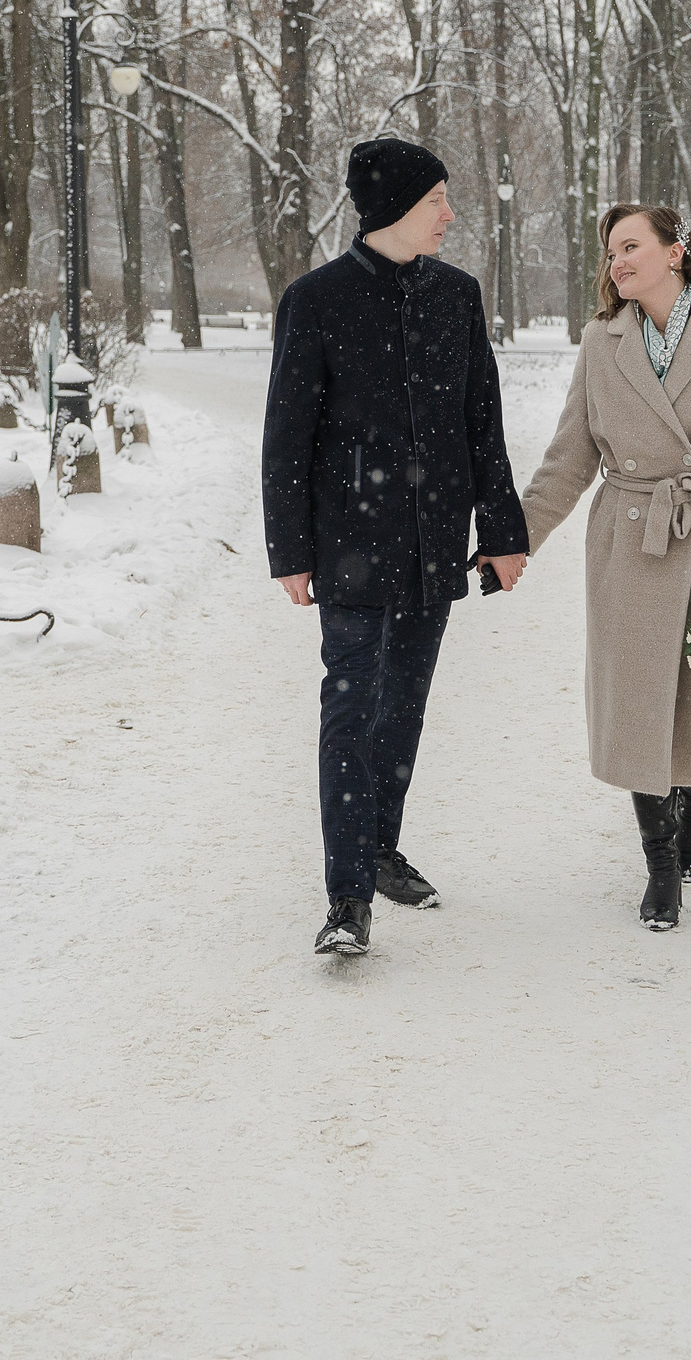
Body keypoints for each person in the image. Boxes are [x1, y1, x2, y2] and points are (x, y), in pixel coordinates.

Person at [263, 138, 529, 959]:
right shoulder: (316, 299)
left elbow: (482, 421)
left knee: (403, 706)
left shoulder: (457, 295)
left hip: (434, 541)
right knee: (349, 709)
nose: (449, 214)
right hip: (349, 542)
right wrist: (290, 550)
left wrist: (502, 532)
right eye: (436, 200)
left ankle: (380, 848)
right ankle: (348, 897)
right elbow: (286, 435)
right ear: (394, 208)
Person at [520, 204, 691, 932]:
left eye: (630, 246)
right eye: (610, 251)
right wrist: (516, 539)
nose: (616, 261)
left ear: (675, 251)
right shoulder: (601, 339)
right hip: (631, 540)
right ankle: (660, 860)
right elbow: (570, 456)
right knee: (638, 703)